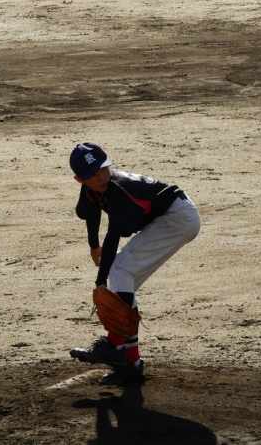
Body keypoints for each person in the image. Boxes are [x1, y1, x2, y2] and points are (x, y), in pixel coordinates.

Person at [68, 142, 200, 385]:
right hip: (169, 217)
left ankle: (115, 345)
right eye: (93, 174)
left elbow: (113, 237)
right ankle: (131, 363)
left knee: (120, 269)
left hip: (178, 218)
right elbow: (91, 211)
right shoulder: (91, 189)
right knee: (123, 281)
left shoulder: (118, 191)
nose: (101, 176)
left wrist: (100, 283)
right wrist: (93, 246)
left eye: (103, 168)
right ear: (80, 180)